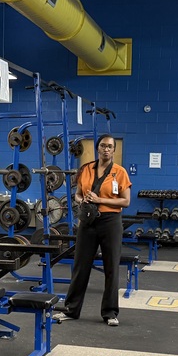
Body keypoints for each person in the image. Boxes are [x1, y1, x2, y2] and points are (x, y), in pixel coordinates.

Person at [53, 133, 132, 325]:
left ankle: (110, 313)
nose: (106, 149)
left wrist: (100, 200)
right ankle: (71, 309)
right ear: (98, 148)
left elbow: (126, 201)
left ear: (114, 150)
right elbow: (78, 195)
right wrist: (83, 200)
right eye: (103, 146)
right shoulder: (86, 169)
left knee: (111, 266)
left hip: (111, 221)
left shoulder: (120, 172)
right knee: (81, 266)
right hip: (88, 221)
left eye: (110, 147)